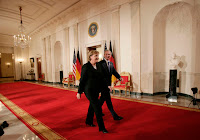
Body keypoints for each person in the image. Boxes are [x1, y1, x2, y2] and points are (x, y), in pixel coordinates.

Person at [76, 50, 110, 133]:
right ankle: (102, 128)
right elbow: (82, 80)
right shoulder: (86, 66)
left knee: (92, 105)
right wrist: (79, 92)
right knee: (97, 107)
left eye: (98, 55)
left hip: (97, 89)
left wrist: (108, 85)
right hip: (89, 90)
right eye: (95, 55)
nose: (97, 57)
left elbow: (103, 77)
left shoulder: (99, 65)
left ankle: (88, 121)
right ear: (90, 57)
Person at [99, 50, 123, 120]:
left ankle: (96, 110)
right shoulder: (100, 63)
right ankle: (114, 116)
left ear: (110, 55)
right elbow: (101, 76)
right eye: (106, 54)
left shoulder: (111, 63)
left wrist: (119, 77)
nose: (108, 56)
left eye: (109, 54)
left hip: (108, 84)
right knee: (108, 101)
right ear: (104, 55)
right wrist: (107, 85)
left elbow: (114, 72)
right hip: (103, 85)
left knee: (102, 99)